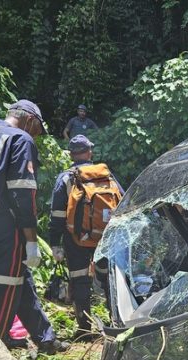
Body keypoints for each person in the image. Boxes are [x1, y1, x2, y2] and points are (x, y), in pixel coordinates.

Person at [0, 99, 68, 353]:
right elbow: (22, 193)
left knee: (19, 280)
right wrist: (31, 239)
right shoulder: (20, 139)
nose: (36, 135)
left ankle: (45, 338)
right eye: (37, 129)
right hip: (5, 229)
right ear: (30, 120)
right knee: (1, 290)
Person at [49, 135, 119, 336]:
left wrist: (55, 243)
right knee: (108, 279)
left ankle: (84, 330)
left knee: (79, 280)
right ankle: (116, 323)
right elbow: (122, 203)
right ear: (90, 152)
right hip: (105, 237)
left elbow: (57, 215)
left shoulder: (65, 178)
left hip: (76, 238)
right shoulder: (106, 175)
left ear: (71, 155)